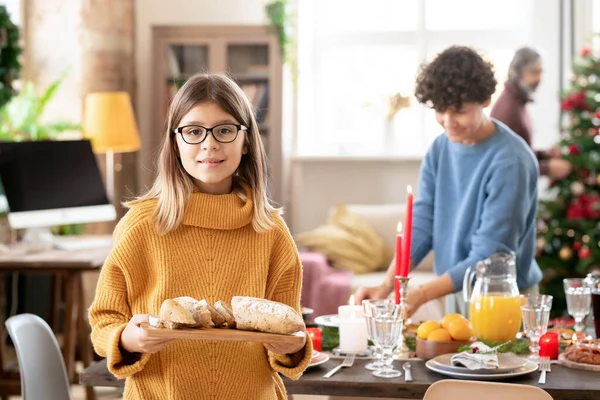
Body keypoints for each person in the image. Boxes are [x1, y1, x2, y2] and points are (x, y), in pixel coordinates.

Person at [88, 73, 311, 400]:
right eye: (193, 131)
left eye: (224, 130)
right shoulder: (141, 225)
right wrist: (128, 339)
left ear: (246, 141)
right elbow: (104, 321)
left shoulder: (271, 232)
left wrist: (291, 346)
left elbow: (290, 333)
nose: (209, 144)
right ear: (175, 143)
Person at [355, 46, 543, 317]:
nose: (448, 121)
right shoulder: (440, 149)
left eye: (459, 111)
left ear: (486, 100)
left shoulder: (512, 161)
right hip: (456, 292)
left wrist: (422, 293)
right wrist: (386, 285)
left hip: (504, 301)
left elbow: (490, 256)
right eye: (440, 110)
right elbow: (422, 223)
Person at [491, 47, 572, 180]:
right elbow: (506, 164)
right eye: (534, 72)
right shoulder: (509, 109)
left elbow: (520, 151)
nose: (539, 79)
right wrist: (547, 169)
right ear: (518, 72)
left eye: (540, 73)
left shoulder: (517, 101)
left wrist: (544, 154)